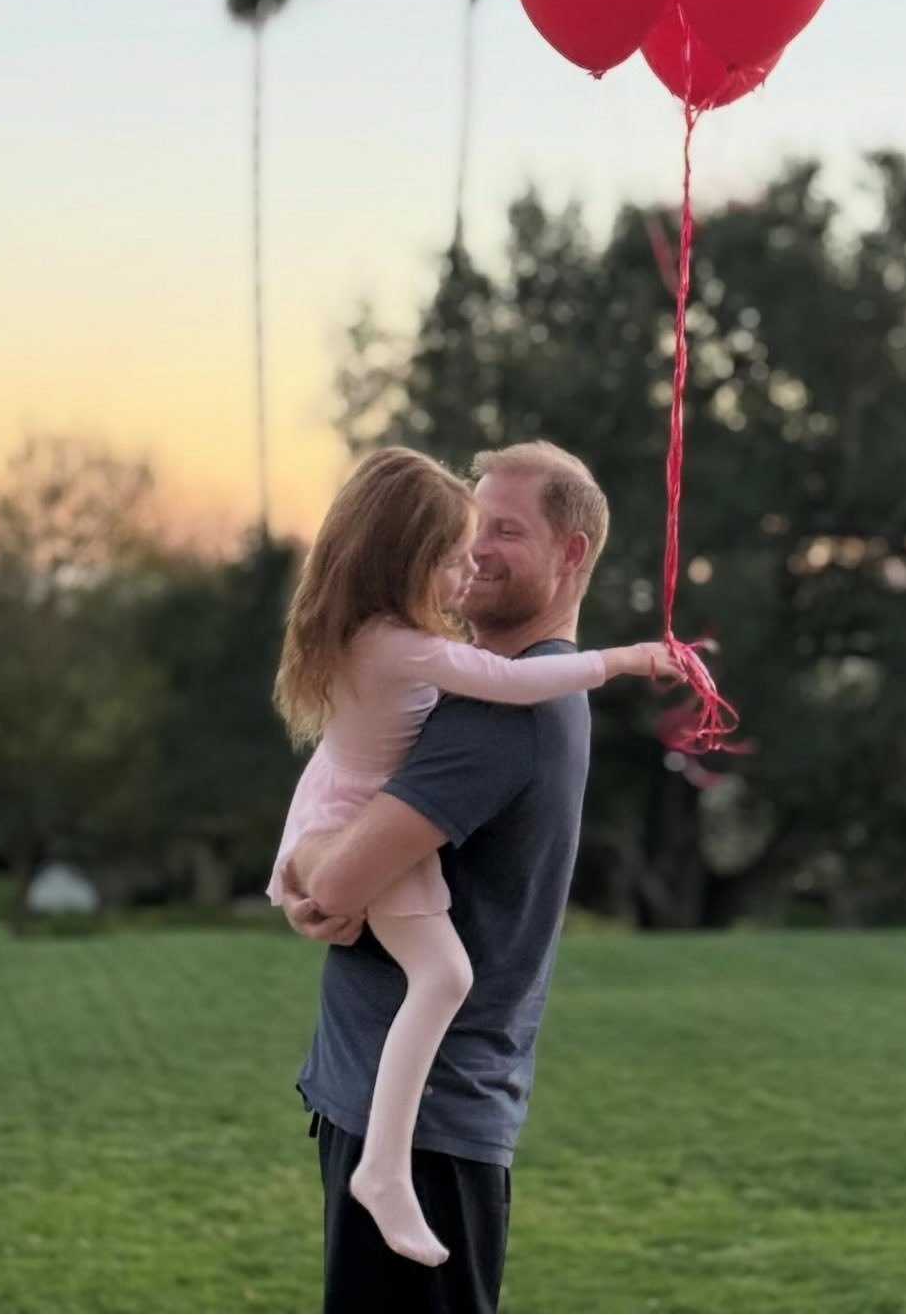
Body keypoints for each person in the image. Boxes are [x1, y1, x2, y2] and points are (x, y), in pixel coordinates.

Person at [275, 443, 665, 1305]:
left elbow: (337, 884)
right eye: (472, 524)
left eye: (506, 531)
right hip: (399, 1104)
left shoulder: (504, 711)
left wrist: (304, 864)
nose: (476, 546)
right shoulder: (464, 677)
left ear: (571, 552)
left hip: (428, 1130)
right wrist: (307, 864)